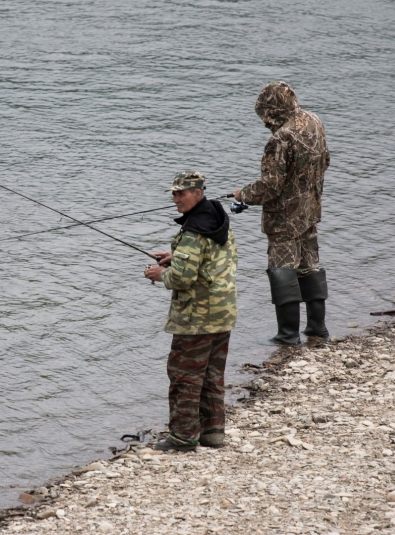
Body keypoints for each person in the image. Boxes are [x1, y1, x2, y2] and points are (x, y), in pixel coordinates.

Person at [144, 171, 238, 451]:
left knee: (184, 376)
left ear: (198, 193)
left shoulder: (193, 231)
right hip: (223, 312)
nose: (176, 199)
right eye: (173, 193)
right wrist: (176, 258)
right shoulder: (218, 220)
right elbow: (213, 258)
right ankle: (212, 433)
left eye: (181, 193)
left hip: (196, 318)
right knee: (211, 375)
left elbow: (183, 279)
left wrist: (160, 274)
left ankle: (183, 437)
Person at [233, 81, 330, 345]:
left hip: (285, 219)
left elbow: (270, 187)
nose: (265, 121)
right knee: (310, 265)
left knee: (282, 269)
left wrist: (243, 194)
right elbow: (326, 161)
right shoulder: (314, 121)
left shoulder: (280, 138)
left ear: (271, 109)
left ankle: (288, 335)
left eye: (265, 114)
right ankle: (317, 329)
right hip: (310, 210)